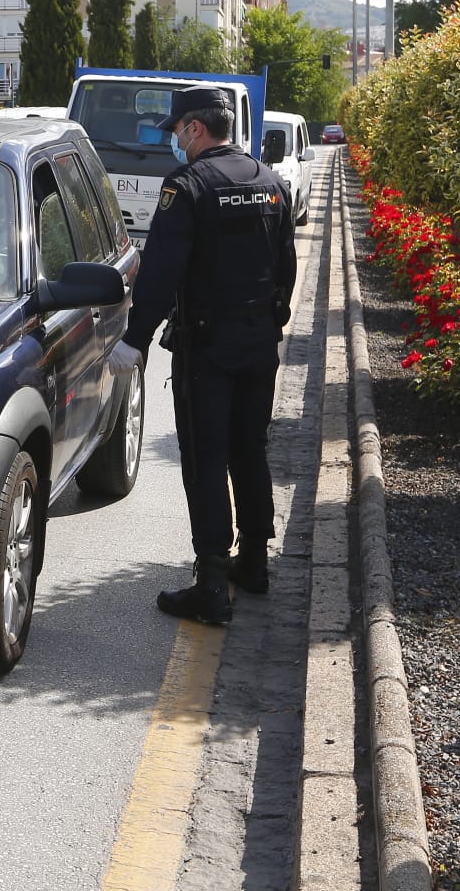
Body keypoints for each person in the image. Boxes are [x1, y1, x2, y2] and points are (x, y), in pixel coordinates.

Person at [111, 84, 296, 625]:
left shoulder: (187, 187)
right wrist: (269, 322)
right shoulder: (268, 181)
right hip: (259, 343)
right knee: (249, 450)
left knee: (207, 459)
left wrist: (134, 340)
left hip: (209, 347)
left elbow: (162, 273)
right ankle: (255, 563)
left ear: (193, 128)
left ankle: (212, 584)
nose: (175, 142)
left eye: (176, 132)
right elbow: (285, 265)